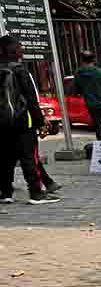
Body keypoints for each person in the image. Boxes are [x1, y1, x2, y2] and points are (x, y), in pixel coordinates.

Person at [0, 35, 59, 204]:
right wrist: (40, 122)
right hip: (23, 120)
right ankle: (36, 192)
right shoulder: (20, 70)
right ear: (14, 50)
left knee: (5, 157)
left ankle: (6, 192)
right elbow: (31, 100)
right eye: (19, 47)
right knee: (29, 157)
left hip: (3, 122)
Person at [73, 50, 101, 141]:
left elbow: (76, 91)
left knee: (98, 127)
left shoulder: (78, 74)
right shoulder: (100, 73)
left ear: (82, 60)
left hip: (90, 105)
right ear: (93, 60)